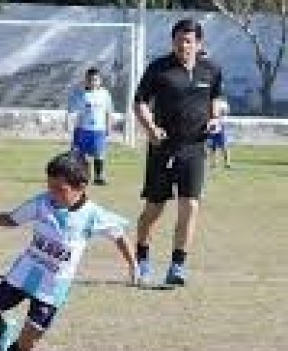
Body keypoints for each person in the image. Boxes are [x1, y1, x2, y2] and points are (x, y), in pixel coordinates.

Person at [0, 152, 137, 351]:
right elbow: (12, 219)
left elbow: (119, 235)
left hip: (52, 287)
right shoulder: (42, 203)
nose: (52, 193)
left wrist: (133, 265)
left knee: (29, 339)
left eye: (59, 189)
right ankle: (2, 330)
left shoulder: (92, 215)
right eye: (49, 187)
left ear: (80, 187)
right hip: (25, 272)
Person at [133, 18, 223, 286]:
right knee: (154, 210)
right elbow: (139, 102)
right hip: (163, 148)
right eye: (178, 40)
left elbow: (215, 98)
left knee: (190, 206)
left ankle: (177, 266)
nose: (183, 45)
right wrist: (150, 127)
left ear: (198, 43)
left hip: (194, 148)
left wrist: (215, 118)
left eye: (188, 40)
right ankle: (143, 259)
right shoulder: (159, 68)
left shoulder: (212, 69)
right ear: (172, 41)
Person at [67, 67, 114, 185]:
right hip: (82, 129)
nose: (93, 82)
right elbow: (72, 111)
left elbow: (108, 111)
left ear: (100, 81)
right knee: (79, 154)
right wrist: (70, 124)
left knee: (99, 153)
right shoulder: (80, 94)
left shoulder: (105, 94)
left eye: (95, 80)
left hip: (99, 130)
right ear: (86, 80)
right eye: (90, 80)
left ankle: (98, 177)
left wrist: (109, 126)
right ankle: (81, 176)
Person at [206, 98, 231, 169]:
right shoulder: (209, 103)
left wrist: (218, 115)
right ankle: (213, 163)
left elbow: (225, 112)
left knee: (224, 146)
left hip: (220, 126)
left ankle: (227, 163)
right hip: (212, 126)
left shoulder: (223, 104)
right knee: (212, 146)